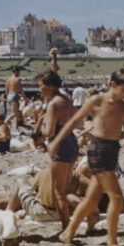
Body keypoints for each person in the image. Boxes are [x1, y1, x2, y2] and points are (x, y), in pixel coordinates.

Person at [52, 68, 124, 246]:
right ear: (112, 85)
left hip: (113, 150)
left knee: (91, 199)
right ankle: (112, 241)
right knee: (116, 198)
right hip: (97, 149)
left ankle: (68, 233)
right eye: (123, 90)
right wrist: (56, 142)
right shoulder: (97, 101)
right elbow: (73, 121)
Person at [38, 70, 79, 232]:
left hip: (60, 146)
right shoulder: (66, 100)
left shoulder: (53, 104)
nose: (39, 88)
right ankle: (90, 214)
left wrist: (37, 135)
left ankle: (66, 228)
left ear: (49, 86)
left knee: (58, 192)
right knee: (65, 189)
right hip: (71, 142)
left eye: (40, 85)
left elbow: (49, 131)